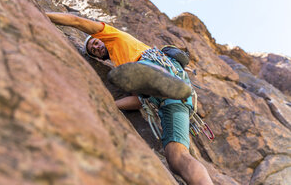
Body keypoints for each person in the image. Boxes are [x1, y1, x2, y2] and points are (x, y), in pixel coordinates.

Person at [46, 12, 213, 185]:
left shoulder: (115, 37)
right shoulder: (124, 66)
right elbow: (139, 102)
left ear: (100, 37)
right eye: (93, 51)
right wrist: (107, 104)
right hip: (175, 101)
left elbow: (77, 21)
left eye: (95, 43)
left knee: (142, 70)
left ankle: (163, 78)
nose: (96, 48)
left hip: (156, 66)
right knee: (176, 157)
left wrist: (44, 14)